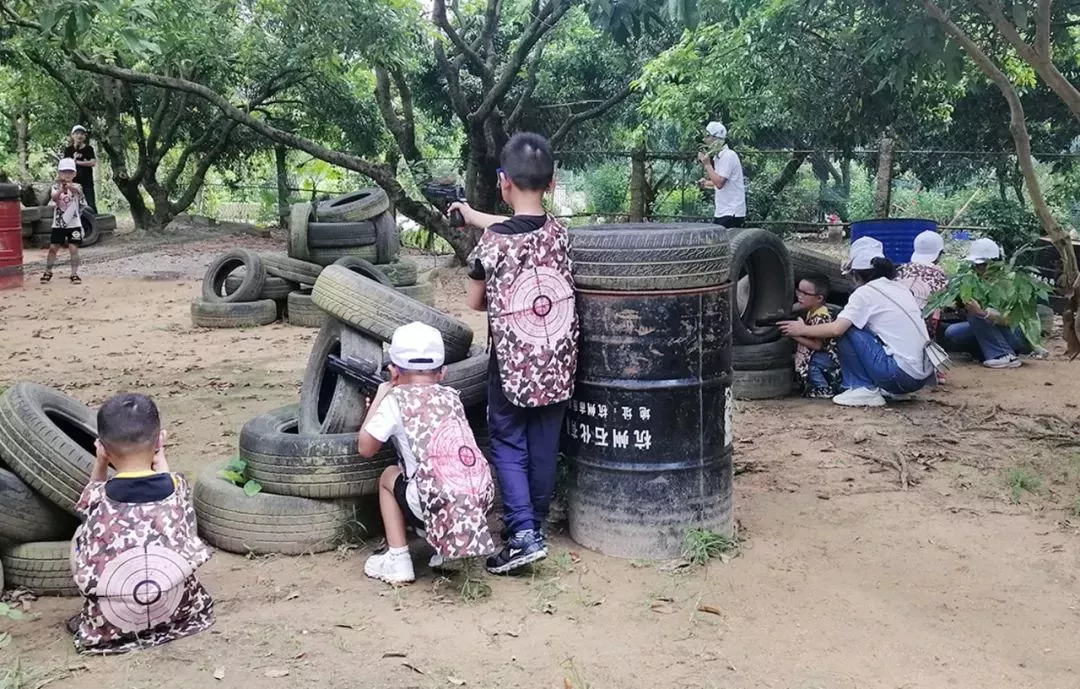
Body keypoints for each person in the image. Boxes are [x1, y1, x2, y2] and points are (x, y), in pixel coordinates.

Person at [451, 132, 579, 574]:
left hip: (511, 365)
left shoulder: (492, 244)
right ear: (552, 183)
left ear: (503, 181)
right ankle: (534, 523)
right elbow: (524, 224)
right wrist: (473, 215)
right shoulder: (561, 234)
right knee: (544, 442)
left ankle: (523, 534)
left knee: (507, 440)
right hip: (558, 360)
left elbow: (476, 302)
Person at [70, 393, 214, 654]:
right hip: (179, 613)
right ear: (159, 440)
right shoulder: (178, 487)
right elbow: (168, 483)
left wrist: (101, 463)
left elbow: (89, 499)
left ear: (102, 448)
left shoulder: (98, 496)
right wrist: (160, 454)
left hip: (114, 622)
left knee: (82, 533)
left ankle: (98, 618)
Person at [357, 322, 495, 585]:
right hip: (479, 500)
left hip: (431, 503)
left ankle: (398, 559)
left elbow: (365, 448)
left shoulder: (394, 400)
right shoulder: (452, 396)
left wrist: (379, 398)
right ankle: (448, 550)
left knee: (389, 476)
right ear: (442, 372)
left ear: (393, 371)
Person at [779, 237, 936, 407]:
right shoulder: (899, 288)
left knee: (847, 327)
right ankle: (891, 391)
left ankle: (862, 387)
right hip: (920, 377)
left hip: (899, 376)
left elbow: (837, 329)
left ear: (856, 274)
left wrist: (801, 330)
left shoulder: (865, 293)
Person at [941, 238, 1032, 369]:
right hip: (997, 330)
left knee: (977, 315)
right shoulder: (978, 281)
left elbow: (1011, 320)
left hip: (1017, 334)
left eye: (982, 265)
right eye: (976, 266)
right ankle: (987, 353)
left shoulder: (1008, 282)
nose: (978, 269)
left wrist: (982, 313)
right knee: (953, 332)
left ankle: (1005, 355)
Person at [789, 273, 842, 398]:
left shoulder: (821, 316)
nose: (800, 296)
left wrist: (794, 335)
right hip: (822, 357)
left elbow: (818, 345)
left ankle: (823, 389)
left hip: (826, 357)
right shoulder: (812, 311)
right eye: (799, 291)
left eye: (805, 293)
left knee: (812, 363)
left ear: (819, 298)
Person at [43, 158, 85, 285]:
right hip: (59, 223)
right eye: (64, 172)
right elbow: (54, 198)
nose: (67, 174)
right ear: (59, 173)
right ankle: (48, 271)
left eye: (70, 172)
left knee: (73, 248)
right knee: (53, 247)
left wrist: (70, 187)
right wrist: (62, 189)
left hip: (74, 223)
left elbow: (79, 193)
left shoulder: (77, 186)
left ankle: (74, 273)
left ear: (74, 174)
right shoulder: (55, 187)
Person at [697, 121, 746, 228]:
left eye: (707, 136)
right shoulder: (719, 157)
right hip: (723, 211)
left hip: (731, 212)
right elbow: (720, 181)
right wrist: (706, 183)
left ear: (715, 138)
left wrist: (707, 164)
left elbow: (719, 183)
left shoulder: (728, 156)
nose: (704, 140)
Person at [63, 125, 97, 212]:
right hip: (72, 181)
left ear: (85, 136)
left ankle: (94, 219)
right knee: (71, 203)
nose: (79, 136)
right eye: (77, 133)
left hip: (87, 181)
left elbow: (93, 163)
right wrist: (75, 160)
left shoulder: (89, 149)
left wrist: (77, 162)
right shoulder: (68, 150)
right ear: (72, 135)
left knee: (91, 204)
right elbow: (66, 165)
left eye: (82, 134)